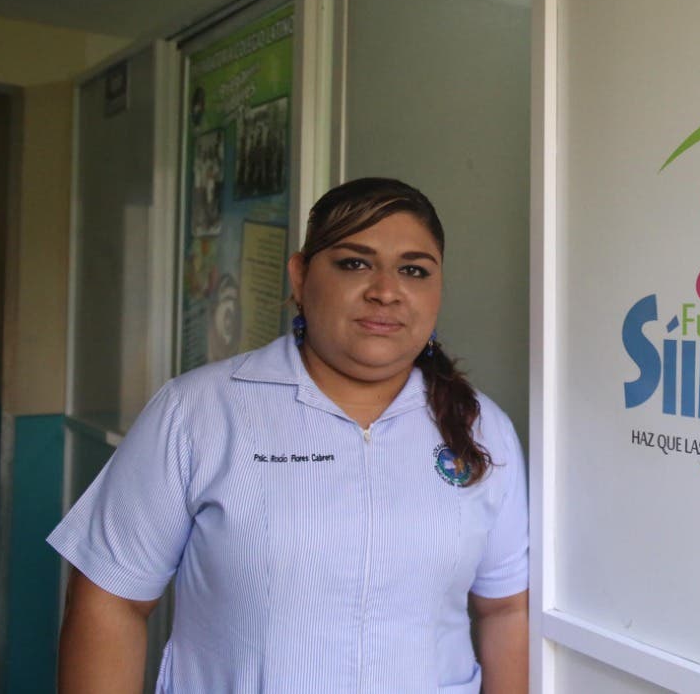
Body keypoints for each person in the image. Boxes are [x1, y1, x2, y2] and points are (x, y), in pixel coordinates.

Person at [48, 177, 529, 693]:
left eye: (413, 270)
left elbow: (505, 609)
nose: (386, 291)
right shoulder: (199, 412)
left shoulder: (483, 428)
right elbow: (111, 599)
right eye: (354, 263)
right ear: (300, 277)